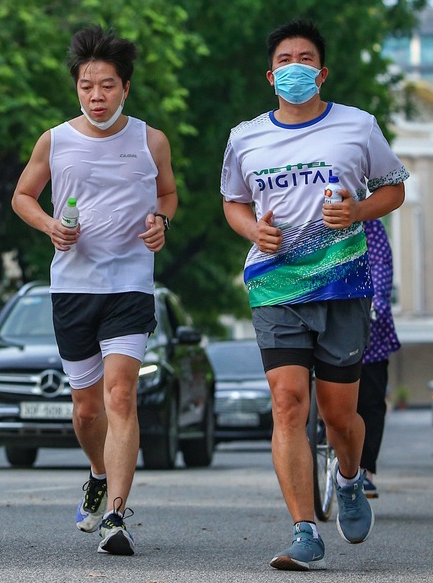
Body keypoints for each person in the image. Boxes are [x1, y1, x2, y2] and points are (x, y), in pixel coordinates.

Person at [221, 20, 407, 571]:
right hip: (274, 282)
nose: (294, 66)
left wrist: (356, 210)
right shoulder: (245, 136)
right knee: (286, 404)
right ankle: (304, 529)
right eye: (284, 59)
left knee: (339, 415)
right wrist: (254, 231)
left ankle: (348, 477)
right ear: (270, 73)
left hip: (341, 282)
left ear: (321, 72)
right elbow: (233, 202)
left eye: (305, 58)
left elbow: (394, 188)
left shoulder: (358, 125)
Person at [11, 25, 177, 556]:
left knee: (121, 395)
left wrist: (162, 223)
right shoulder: (55, 140)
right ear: (76, 89)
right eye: (87, 86)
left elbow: (168, 194)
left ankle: (116, 516)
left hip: (129, 284)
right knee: (86, 410)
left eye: (107, 85)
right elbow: (22, 196)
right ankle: (98, 472)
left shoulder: (150, 140)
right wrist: (48, 226)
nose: (96, 96)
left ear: (125, 88)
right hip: (73, 288)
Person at [358, 219, 400, 498]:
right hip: (318, 305)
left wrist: (377, 302)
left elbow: (381, 265)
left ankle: (365, 469)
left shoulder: (367, 223)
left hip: (365, 314)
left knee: (371, 401)